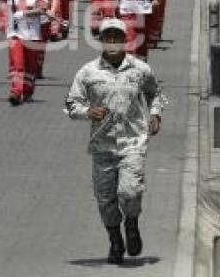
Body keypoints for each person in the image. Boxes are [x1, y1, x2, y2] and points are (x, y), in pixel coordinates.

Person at [65, 18, 163, 265]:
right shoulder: (88, 72)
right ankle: (115, 240)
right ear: (101, 41)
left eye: (116, 37)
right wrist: (87, 112)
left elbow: (155, 94)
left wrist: (155, 114)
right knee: (106, 199)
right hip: (102, 146)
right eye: (107, 37)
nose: (112, 41)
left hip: (132, 142)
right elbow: (71, 103)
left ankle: (131, 225)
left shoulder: (140, 69)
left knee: (129, 192)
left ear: (124, 40)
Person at [3, 0, 48, 105]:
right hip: (15, 34)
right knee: (17, 64)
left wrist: (25, 12)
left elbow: (42, 9)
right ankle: (15, 92)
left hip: (32, 34)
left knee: (30, 66)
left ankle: (27, 91)